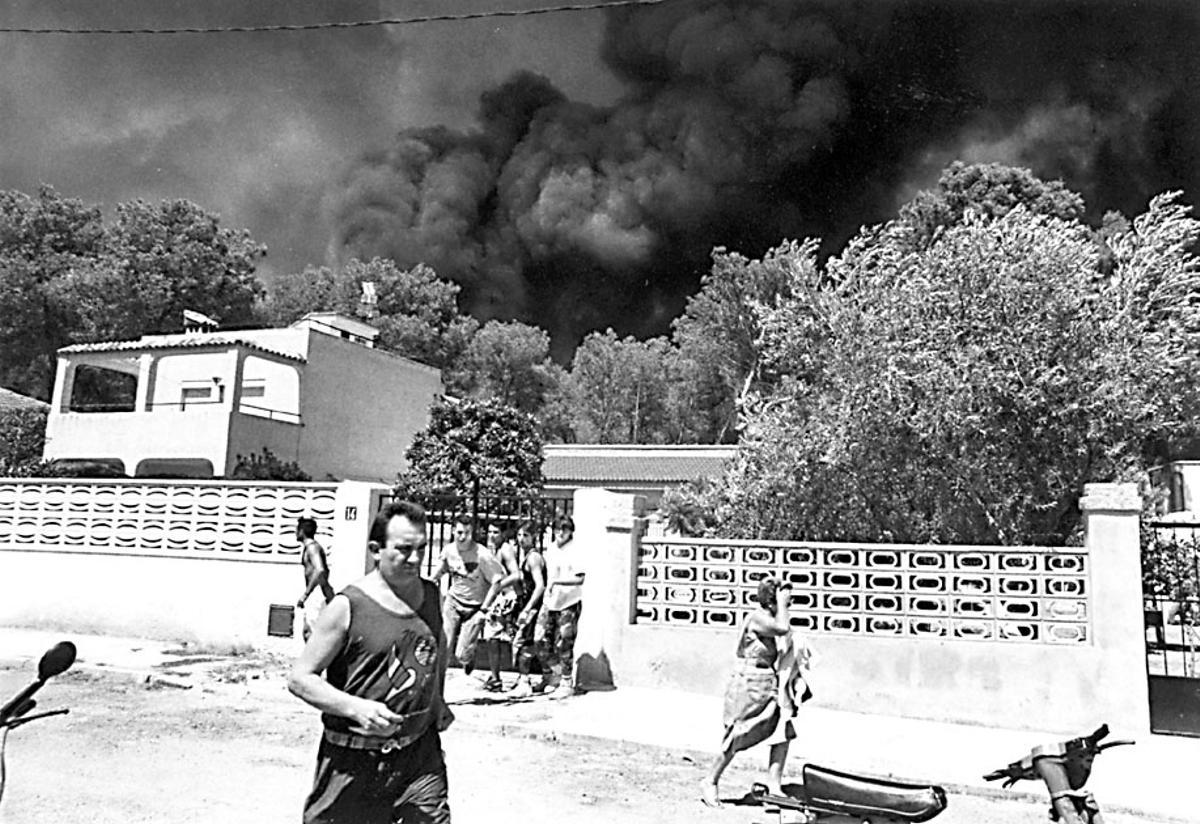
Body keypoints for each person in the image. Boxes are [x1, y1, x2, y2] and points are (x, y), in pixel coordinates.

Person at [288, 500, 455, 824]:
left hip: (419, 757)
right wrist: (356, 708)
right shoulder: (347, 606)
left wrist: (437, 700)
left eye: (422, 548)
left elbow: (438, 647)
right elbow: (300, 678)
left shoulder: (432, 595)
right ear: (376, 550)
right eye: (405, 549)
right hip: (352, 760)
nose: (416, 558)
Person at [700, 576, 811, 809]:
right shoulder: (757, 618)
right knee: (738, 734)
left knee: (783, 732)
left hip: (769, 684)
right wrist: (781, 600)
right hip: (749, 684)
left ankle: (774, 786)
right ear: (772, 601)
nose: (788, 605)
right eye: (784, 600)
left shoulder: (772, 616)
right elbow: (782, 628)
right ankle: (710, 781)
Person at [430, 515, 501, 675]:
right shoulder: (449, 550)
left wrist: (484, 609)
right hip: (453, 603)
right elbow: (440, 570)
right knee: (445, 648)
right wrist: (431, 581)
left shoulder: (482, 554)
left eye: (467, 533)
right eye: (460, 532)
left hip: (475, 607)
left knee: (461, 654)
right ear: (454, 531)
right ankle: (438, 693)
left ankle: (469, 655)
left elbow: (497, 581)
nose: (463, 537)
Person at [535, 515, 585, 699]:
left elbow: (580, 578)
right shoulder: (551, 548)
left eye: (564, 529)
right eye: (557, 529)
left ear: (571, 531)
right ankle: (552, 675)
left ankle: (566, 681)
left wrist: (558, 582)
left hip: (569, 602)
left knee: (564, 642)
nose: (560, 533)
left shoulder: (576, 550)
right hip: (551, 601)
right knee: (540, 640)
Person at [478, 523, 523, 692]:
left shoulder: (506, 549)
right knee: (492, 638)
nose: (491, 535)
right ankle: (495, 677)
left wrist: (497, 586)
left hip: (508, 598)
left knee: (512, 638)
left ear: (503, 533)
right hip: (500, 599)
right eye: (489, 531)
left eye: (496, 532)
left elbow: (516, 574)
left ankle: (518, 676)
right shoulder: (494, 549)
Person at [507, 521, 546, 698]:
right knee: (527, 643)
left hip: (533, 606)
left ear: (534, 537)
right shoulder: (527, 556)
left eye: (526, 535)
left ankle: (525, 682)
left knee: (523, 644)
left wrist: (528, 608)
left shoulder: (533, 558)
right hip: (527, 604)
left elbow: (540, 586)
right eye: (520, 535)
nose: (521, 539)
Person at [296, 517, 334, 642]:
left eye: (297, 529)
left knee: (313, 634)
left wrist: (306, 594)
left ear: (302, 530)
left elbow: (320, 569)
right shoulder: (310, 548)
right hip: (315, 593)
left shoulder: (312, 548)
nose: (296, 533)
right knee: (307, 631)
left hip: (316, 593)